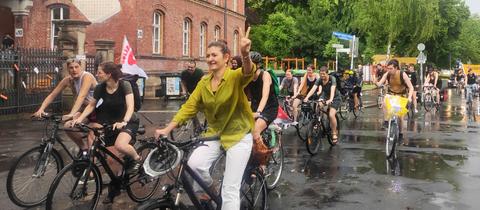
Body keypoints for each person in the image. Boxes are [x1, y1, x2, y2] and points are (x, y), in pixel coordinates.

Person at [154, 27, 255, 210]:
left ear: (226, 58)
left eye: (214, 55)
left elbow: (247, 73)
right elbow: (189, 108)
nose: (210, 58)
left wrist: (245, 54)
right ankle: (211, 192)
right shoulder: (204, 82)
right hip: (215, 134)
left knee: (230, 190)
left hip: (239, 136)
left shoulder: (233, 77)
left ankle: (223, 198)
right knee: (194, 164)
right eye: (208, 55)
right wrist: (167, 130)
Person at [70, 62, 141, 204]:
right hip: (110, 125)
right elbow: (91, 105)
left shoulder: (124, 85)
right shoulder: (100, 87)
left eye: (100, 72)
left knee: (120, 146)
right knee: (110, 159)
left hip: (127, 122)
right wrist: (80, 119)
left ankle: (136, 158)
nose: (97, 74)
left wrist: (124, 121)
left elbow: (131, 107)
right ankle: (116, 185)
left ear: (109, 74)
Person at [33, 58, 97, 155]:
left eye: (76, 67)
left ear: (81, 67)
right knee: (68, 126)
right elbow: (52, 95)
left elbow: (82, 96)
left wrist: (72, 114)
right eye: (71, 68)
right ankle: (84, 148)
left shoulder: (87, 77)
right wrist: (41, 109)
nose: (74, 70)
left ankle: (93, 161)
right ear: (68, 69)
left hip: (97, 110)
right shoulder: (68, 80)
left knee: (91, 136)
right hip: (85, 110)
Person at [246, 51, 279, 164]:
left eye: (251, 64)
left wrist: (259, 112)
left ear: (258, 65)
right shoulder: (247, 77)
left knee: (255, 131)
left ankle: (262, 163)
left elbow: (265, 96)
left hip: (269, 107)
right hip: (255, 106)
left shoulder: (265, 75)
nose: (248, 66)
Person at [376, 59, 414, 140]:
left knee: (400, 117)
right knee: (385, 99)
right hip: (391, 94)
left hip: (402, 96)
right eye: (388, 68)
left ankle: (400, 134)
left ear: (396, 68)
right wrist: (376, 82)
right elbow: (380, 83)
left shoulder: (402, 74)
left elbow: (411, 87)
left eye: (391, 68)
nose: (389, 70)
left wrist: (410, 97)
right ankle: (386, 121)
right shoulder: (387, 74)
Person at [304, 66, 341, 144]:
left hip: (335, 97)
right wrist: (307, 97)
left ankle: (334, 132)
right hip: (324, 96)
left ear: (327, 73)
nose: (322, 76)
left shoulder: (332, 79)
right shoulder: (319, 80)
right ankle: (318, 121)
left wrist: (330, 99)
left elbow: (333, 89)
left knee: (331, 115)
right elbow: (313, 89)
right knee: (318, 105)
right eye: (321, 74)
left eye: (324, 74)